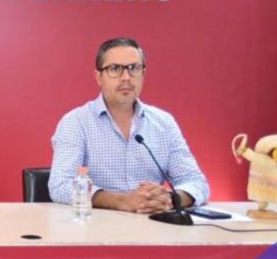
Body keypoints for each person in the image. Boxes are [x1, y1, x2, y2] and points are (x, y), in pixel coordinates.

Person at [49, 37, 209, 213]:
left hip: (152, 224)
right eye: (115, 69)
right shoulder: (75, 122)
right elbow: (60, 185)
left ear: (143, 74)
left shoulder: (164, 123)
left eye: (134, 68)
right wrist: (121, 201)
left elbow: (196, 182)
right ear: (99, 77)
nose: (126, 77)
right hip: (96, 225)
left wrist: (170, 199)